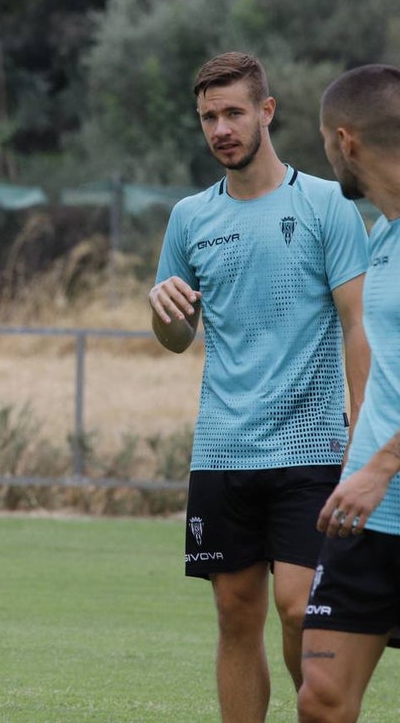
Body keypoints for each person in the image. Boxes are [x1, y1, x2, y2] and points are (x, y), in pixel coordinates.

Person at [148, 52, 370, 723]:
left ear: (266, 112)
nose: (221, 128)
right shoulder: (189, 218)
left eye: (234, 112)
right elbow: (177, 338)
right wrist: (165, 317)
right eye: (209, 116)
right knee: (234, 614)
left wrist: (361, 441)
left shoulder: (326, 204)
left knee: (301, 605)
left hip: (310, 448)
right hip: (221, 451)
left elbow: (358, 325)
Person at [297, 64, 400, 723]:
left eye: (324, 142)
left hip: (380, 482)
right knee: (322, 699)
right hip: (366, 516)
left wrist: (383, 466)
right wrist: (358, 463)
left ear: (346, 141)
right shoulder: (383, 235)